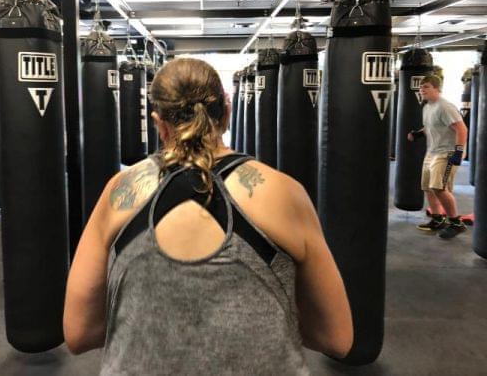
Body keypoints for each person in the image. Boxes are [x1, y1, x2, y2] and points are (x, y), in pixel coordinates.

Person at [63, 58, 353, 374]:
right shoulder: (284, 193)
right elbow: (336, 338)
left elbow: (79, 333)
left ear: (159, 123)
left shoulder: (120, 192)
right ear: (227, 111)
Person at [408, 74, 468, 239]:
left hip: (447, 152)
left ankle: (456, 223)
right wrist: (418, 134)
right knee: (428, 187)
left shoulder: (445, 107)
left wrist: (457, 152)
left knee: (439, 188)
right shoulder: (428, 107)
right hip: (432, 151)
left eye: (426, 87)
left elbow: (462, 129)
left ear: (437, 89)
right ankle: (437, 219)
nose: (422, 90)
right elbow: (430, 127)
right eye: (421, 87)